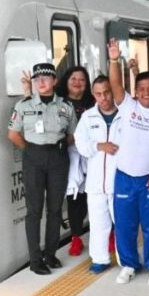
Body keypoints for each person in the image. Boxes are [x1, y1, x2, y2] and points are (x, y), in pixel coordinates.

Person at [107, 39, 149, 286]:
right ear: (136, 92)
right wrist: (114, 60)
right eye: (142, 89)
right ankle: (128, 265)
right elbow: (115, 84)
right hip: (125, 177)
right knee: (125, 225)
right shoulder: (128, 106)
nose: (146, 93)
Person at [7, 62, 78, 275]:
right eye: (37, 79)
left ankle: (51, 254)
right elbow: (13, 134)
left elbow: (72, 135)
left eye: (46, 78)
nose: (41, 82)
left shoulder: (66, 106)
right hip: (33, 159)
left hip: (58, 158)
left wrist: (56, 148)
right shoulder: (24, 106)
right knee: (34, 211)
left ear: (54, 81)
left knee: (55, 209)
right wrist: (31, 151)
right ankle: (35, 260)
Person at [72, 75, 120, 274]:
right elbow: (80, 143)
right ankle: (100, 259)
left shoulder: (125, 113)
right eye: (99, 94)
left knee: (124, 224)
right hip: (95, 182)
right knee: (98, 223)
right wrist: (99, 146)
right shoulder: (88, 117)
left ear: (113, 91)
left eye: (106, 92)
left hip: (120, 181)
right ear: (93, 95)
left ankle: (127, 259)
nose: (103, 98)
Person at [55, 67, 96, 257]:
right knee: (74, 198)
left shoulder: (94, 102)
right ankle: (76, 237)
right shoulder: (58, 102)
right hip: (70, 155)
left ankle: (107, 235)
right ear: (66, 81)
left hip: (93, 153)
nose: (77, 82)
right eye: (73, 78)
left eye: (82, 79)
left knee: (96, 195)